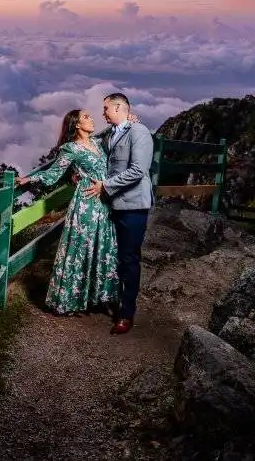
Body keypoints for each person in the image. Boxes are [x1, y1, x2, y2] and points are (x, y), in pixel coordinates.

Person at [16, 109, 119, 316]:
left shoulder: (98, 143)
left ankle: (98, 297)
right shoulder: (70, 149)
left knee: (102, 247)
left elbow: (115, 130)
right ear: (77, 125)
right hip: (86, 205)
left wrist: (129, 120)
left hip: (105, 203)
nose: (91, 119)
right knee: (80, 250)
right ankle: (69, 300)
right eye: (86, 117)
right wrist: (30, 178)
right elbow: (54, 174)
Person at [83, 92, 154, 335]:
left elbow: (138, 171)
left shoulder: (139, 132)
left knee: (129, 259)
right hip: (112, 205)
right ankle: (106, 297)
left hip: (133, 206)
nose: (102, 113)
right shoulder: (111, 133)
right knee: (113, 256)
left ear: (117, 107)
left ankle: (126, 313)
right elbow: (92, 140)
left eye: (105, 109)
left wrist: (105, 185)